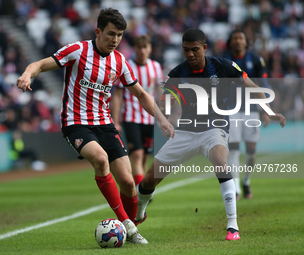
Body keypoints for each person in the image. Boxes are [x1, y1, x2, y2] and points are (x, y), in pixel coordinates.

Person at [16, 8, 175, 244]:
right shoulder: (77, 51)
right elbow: (39, 64)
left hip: (105, 124)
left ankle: (131, 227)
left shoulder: (120, 61)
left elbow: (141, 93)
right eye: (111, 34)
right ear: (98, 31)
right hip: (76, 123)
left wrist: (161, 119)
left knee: (130, 184)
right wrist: (28, 74)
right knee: (100, 160)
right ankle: (128, 226)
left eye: (120, 35)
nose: (115, 40)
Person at [135, 28, 286, 241]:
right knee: (149, 180)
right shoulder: (178, 73)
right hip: (185, 131)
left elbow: (251, 86)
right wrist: (166, 120)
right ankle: (140, 210)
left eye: (195, 49)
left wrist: (269, 110)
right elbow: (166, 101)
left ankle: (232, 226)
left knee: (220, 161)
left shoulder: (223, 67)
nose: (190, 54)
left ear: (204, 48)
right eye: (186, 50)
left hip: (214, 128)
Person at [112, 35, 164, 186]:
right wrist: (116, 121)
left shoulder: (156, 66)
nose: (142, 51)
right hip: (130, 117)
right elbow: (117, 96)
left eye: (145, 47)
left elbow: (160, 92)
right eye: (139, 47)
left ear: (150, 49)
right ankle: (141, 190)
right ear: (134, 49)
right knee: (137, 154)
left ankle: (141, 186)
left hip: (149, 118)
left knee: (146, 155)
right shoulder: (126, 66)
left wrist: (163, 116)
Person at [226, 30, 270, 200]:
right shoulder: (223, 60)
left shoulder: (256, 60)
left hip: (251, 109)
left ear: (246, 42)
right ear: (230, 42)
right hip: (231, 109)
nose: (238, 41)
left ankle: (246, 181)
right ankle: (236, 187)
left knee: (251, 149)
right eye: (235, 38)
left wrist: (266, 109)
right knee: (234, 148)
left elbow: (264, 84)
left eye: (241, 38)